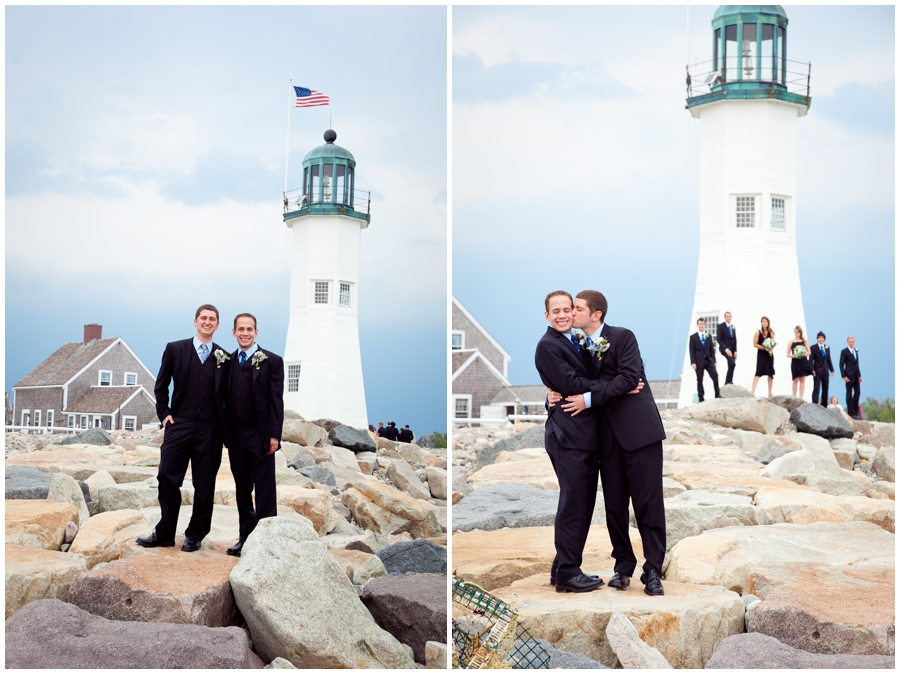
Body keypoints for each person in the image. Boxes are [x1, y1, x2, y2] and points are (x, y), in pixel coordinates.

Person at [555, 290, 667, 597]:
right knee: (615, 506)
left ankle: (654, 569)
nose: (571, 313)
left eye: (576, 308)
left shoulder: (622, 337)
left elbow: (631, 377)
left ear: (596, 315)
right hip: (605, 437)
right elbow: (570, 382)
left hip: (639, 432)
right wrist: (552, 393)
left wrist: (591, 397)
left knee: (648, 503)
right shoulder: (576, 347)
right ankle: (623, 566)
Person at [137, 305, 231, 552]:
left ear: (217, 325)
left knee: (205, 482)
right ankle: (165, 532)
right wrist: (164, 414)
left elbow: (229, 396)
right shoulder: (175, 348)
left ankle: (195, 535)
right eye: (203, 318)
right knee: (166, 476)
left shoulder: (224, 357)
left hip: (210, 429)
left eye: (212, 319)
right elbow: (161, 385)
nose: (207, 322)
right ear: (195, 321)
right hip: (179, 423)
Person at [534, 291, 605, 594]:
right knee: (573, 503)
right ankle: (567, 572)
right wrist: (611, 386)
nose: (563, 314)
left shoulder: (574, 341)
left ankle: (563, 564)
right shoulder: (548, 346)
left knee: (583, 502)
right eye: (556, 310)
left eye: (568, 309)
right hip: (567, 436)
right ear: (547, 316)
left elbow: (575, 381)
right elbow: (571, 385)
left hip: (583, 435)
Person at [222, 313, 285, 557]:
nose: (245, 333)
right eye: (240, 329)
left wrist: (274, 436)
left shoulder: (272, 360)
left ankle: (266, 541)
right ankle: (245, 537)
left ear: (256, 332)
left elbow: (276, 402)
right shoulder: (227, 362)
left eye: (249, 329)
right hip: (236, 435)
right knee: (242, 488)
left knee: (265, 487)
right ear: (234, 332)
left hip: (261, 434)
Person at [689, 318, 720, 402]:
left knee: (715, 375)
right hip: (698, 361)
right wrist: (693, 362)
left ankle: (717, 394)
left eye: (703, 324)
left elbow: (711, 349)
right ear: (697, 325)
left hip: (708, 360)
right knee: (699, 379)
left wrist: (714, 361)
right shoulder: (693, 337)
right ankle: (701, 397)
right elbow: (691, 351)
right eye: (700, 324)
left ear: (705, 325)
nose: (701, 325)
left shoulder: (708, 336)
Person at [751, 316, 776, 397]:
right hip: (761, 355)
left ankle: (770, 392)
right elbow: (755, 344)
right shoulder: (758, 332)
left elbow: (773, 343)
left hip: (769, 355)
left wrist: (770, 348)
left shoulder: (771, 333)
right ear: (761, 323)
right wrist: (764, 347)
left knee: (770, 373)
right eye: (763, 321)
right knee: (758, 372)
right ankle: (752, 391)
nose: (764, 323)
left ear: (768, 323)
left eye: (766, 321)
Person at [809, 331, 834, 407]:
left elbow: (829, 359)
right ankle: (815, 403)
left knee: (825, 388)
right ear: (817, 339)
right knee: (816, 387)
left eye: (822, 337)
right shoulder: (813, 348)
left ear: (824, 339)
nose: (820, 339)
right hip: (817, 371)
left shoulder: (827, 347)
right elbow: (811, 359)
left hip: (825, 371)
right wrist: (812, 369)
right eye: (819, 337)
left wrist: (832, 370)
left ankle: (824, 404)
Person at [787, 326, 813, 398]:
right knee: (795, 380)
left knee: (802, 380)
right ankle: (794, 397)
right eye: (795, 331)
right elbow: (788, 354)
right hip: (795, 362)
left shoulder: (804, 341)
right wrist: (795, 356)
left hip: (803, 362)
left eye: (798, 332)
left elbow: (809, 352)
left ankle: (801, 397)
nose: (797, 333)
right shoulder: (791, 342)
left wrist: (802, 354)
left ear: (800, 332)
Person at [840, 336, 862, 419]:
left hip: (856, 375)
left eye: (853, 341)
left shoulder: (856, 351)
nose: (852, 343)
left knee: (858, 393)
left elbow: (857, 364)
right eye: (850, 341)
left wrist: (859, 375)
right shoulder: (844, 351)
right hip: (848, 375)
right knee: (849, 394)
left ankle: (856, 412)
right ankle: (851, 412)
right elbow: (841, 364)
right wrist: (844, 376)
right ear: (847, 342)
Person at [716, 312, 738, 385]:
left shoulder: (733, 327)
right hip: (724, 349)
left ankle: (729, 381)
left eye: (730, 316)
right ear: (725, 317)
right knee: (732, 363)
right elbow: (719, 339)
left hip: (732, 349)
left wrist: (735, 351)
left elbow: (734, 340)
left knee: (731, 364)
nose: (728, 318)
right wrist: (726, 349)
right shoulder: (720, 326)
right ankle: (728, 382)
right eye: (727, 316)